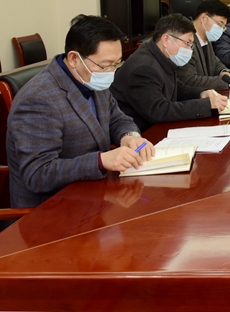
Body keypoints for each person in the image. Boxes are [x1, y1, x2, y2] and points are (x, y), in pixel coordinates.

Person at [6, 15, 155, 208]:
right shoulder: (38, 99)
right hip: (51, 209)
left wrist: (129, 136)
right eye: (105, 65)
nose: (111, 72)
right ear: (74, 58)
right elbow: (38, 174)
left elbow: (117, 119)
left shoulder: (91, 78)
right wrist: (100, 161)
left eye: (117, 64)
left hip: (94, 195)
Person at [111, 14, 228, 132]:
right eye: (187, 43)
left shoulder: (160, 55)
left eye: (191, 45)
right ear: (166, 39)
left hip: (157, 128)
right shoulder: (143, 67)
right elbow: (159, 111)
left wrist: (202, 93)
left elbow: (178, 88)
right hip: (143, 133)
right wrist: (205, 106)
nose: (189, 50)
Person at [177, 0, 230, 92]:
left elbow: (215, 61)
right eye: (219, 24)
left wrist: (225, 73)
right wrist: (227, 82)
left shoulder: (206, 37)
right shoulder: (185, 41)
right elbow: (190, 81)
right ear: (203, 18)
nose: (221, 30)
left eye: (223, 27)